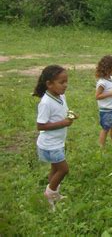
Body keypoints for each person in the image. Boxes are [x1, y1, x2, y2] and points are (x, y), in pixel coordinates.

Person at [33, 65, 78, 209]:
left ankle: (54, 195)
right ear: (49, 84)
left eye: (66, 81)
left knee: (55, 169)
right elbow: (40, 126)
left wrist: (70, 114)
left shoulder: (60, 96)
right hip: (50, 145)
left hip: (57, 142)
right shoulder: (46, 103)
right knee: (63, 170)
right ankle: (49, 194)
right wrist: (63, 123)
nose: (65, 85)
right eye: (61, 82)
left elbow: (61, 111)